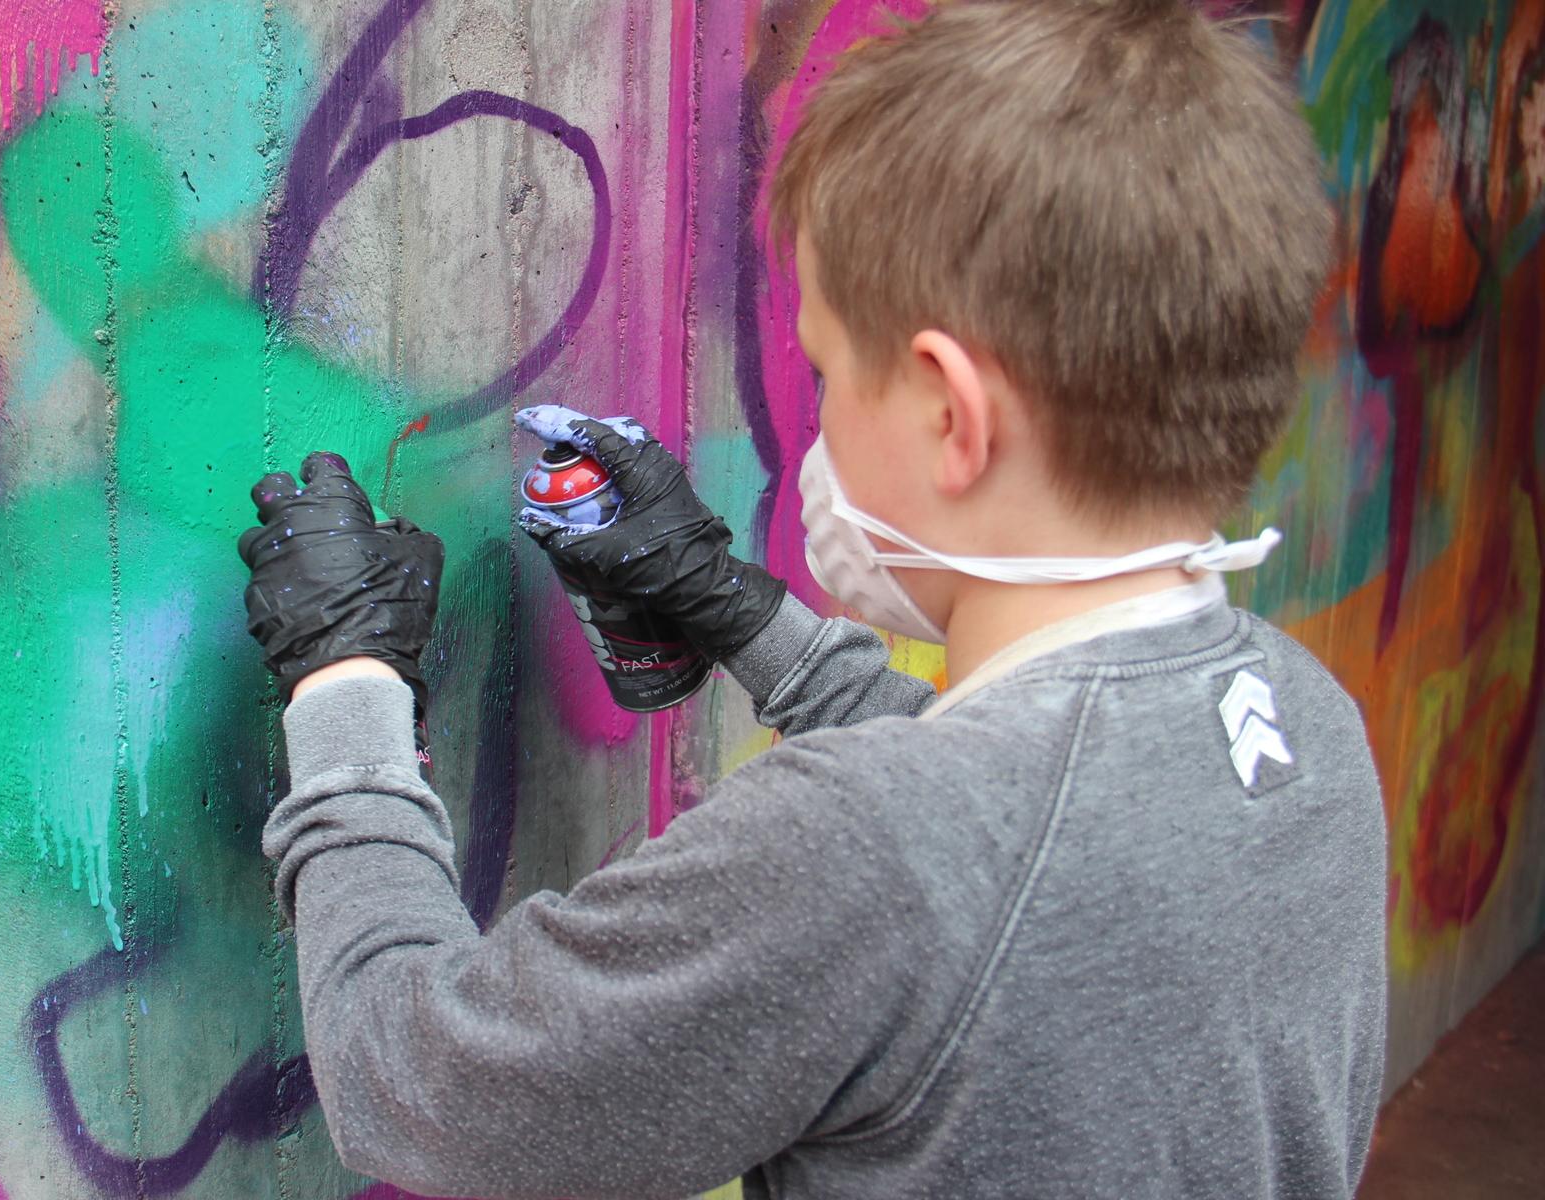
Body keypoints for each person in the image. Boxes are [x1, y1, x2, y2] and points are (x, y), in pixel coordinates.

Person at [234, 1, 1386, 1196]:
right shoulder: (1300, 724)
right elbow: (1041, 821)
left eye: (829, 370)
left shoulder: (861, 852)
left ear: (951, 415)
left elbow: (424, 1094)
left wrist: (345, 683)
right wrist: (741, 613)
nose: (819, 417)